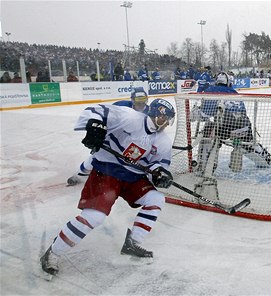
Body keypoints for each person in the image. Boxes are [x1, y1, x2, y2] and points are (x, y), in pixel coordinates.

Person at [40, 98, 175, 276]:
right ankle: (53, 252)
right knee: (94, 217)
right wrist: (95, 126)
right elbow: (94, 111)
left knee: (156, 199)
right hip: (106, 171)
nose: (166, 123)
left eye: (168, 120)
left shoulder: (163, 141)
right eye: (164, 118)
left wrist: (159, 174)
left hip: (132, 177)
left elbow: (158, 165)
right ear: (156, 114)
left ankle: (133, 242)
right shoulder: (129, 117)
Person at [193, 72, 271, 177]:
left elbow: (204, 115)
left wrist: (195, 111)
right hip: (244, 129)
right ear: (229, 83)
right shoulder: (234, 93)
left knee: (208, 131)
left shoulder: (212, 91)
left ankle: (204, 167)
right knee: (248, 145)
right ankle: (264, 158)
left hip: (224, 130)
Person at [67, 87, 150, 186]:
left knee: (133, 159)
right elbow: (105, 118)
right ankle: (79, 174)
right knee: (98, 156)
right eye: (138, 101)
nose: (141, 104)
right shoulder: (121, 106)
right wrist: (99, 133)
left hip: (131, 140)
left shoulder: (149, 112)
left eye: (143, 101)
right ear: (132, 99)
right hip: (114, 135)